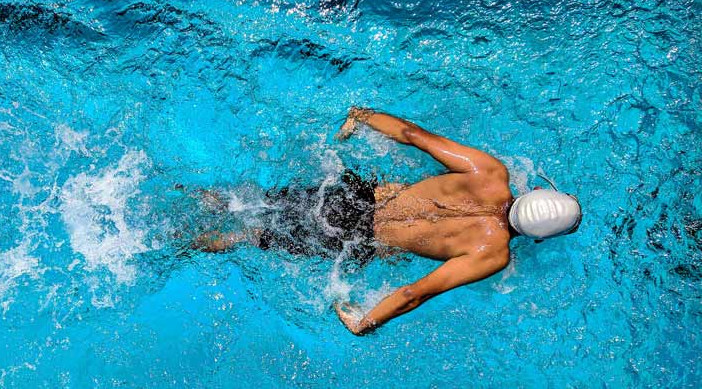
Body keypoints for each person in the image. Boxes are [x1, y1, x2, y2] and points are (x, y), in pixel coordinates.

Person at [191, 108, 582, 335]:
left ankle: (192, 195)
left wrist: (362, 116)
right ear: (538, 238)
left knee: (250, 202)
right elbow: (414, 293)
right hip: (356, 239)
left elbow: (413, 135)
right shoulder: (493, 254)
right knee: (251, 236)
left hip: (352, 195)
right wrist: (365, 322)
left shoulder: (490, 173)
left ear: (536, 191)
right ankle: (183, 244)